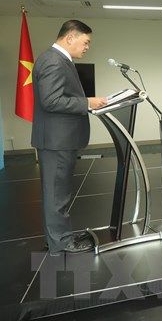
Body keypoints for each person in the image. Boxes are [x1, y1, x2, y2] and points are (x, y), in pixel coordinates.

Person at [32, 20, 107, 254]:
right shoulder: (53, 61)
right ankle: (61, 242)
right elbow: (51, 101)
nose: (87, 47)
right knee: (57, 195)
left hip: (59, 139)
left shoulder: (60, 60)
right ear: (70, 37)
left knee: (57, 193)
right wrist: (87, 103)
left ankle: (56, 238)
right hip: (57, 141)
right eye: (86, 42)